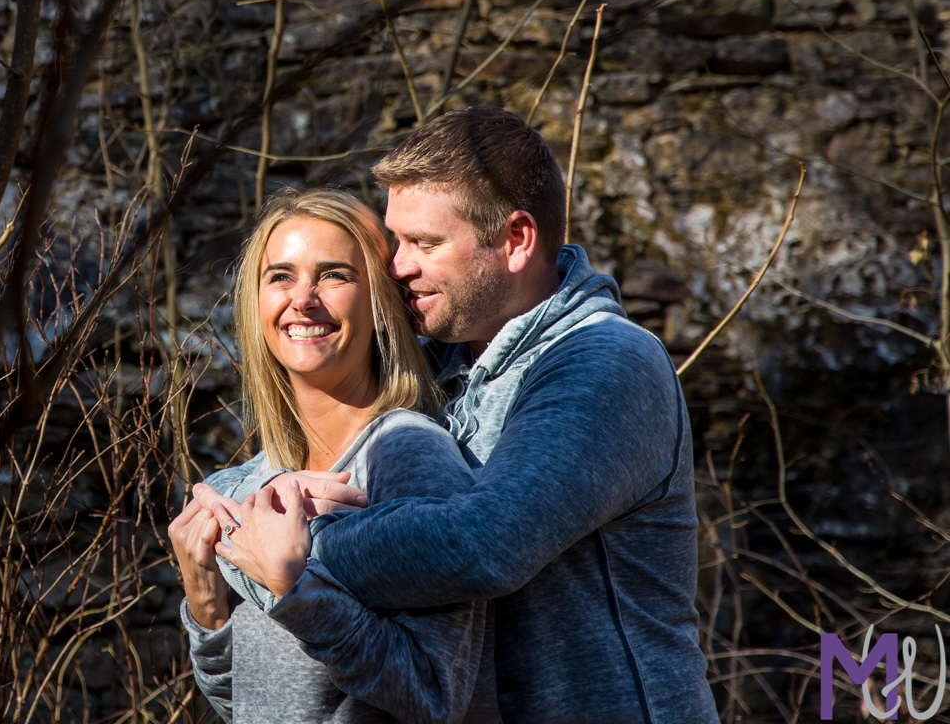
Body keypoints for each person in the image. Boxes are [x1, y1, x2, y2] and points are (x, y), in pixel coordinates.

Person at [215, 106, 718, 724]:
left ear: (516, 240)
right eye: (397, 240)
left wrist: (294, 543)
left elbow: (484, 546)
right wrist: (251, 515)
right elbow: (303, 453)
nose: (397, 265)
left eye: (424, 243)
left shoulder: (605, 363)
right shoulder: (436, 361)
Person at [168, 187, 497, 724]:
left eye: (334, 275)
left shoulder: (405, 454)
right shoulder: (248, 482)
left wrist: (297, 591)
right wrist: (206, 607)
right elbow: (257, 706)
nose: (303, 298)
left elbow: (437, 696)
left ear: (380, 302)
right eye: (281, 276)